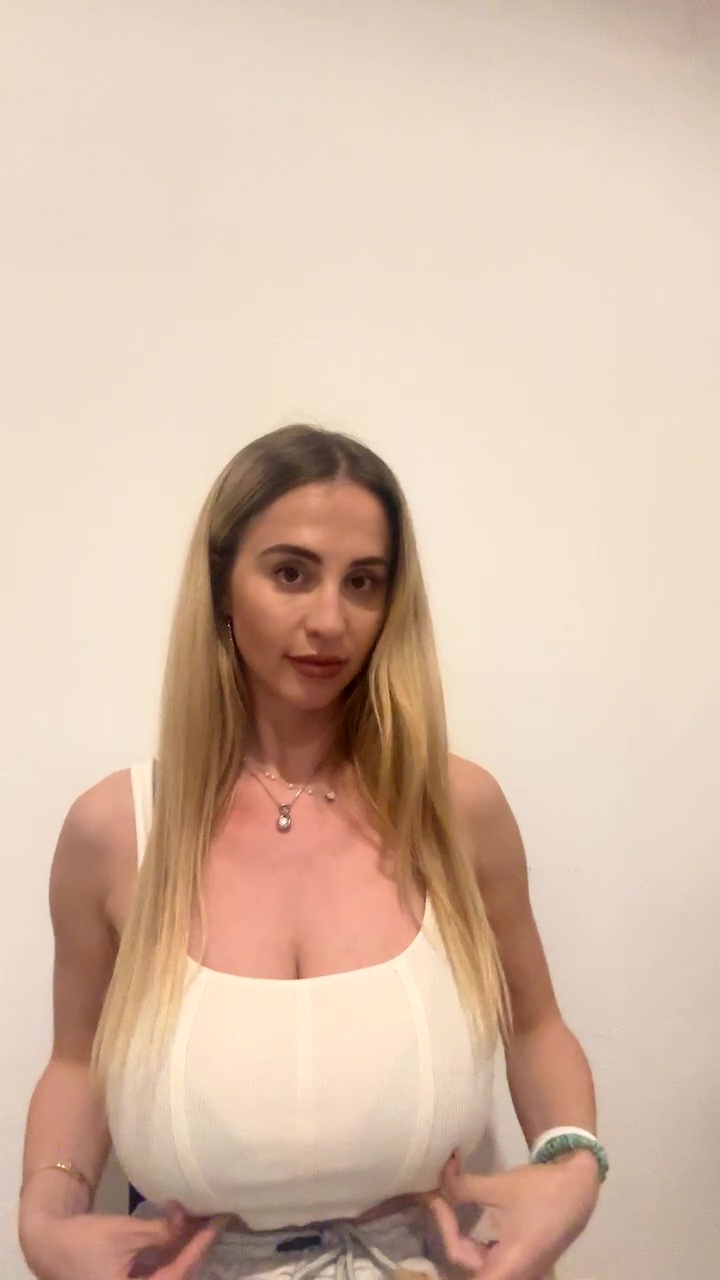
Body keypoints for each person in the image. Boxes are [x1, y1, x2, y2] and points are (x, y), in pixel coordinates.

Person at [18, 425, 606, 1280]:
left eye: (363, 582)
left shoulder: (456, 811)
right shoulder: (115, 831)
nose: (330, 621)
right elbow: (77, 1062)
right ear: (221, 587)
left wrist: (573, 1166)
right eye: (291, 573)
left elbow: (535, 1025)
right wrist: (43, 1219)